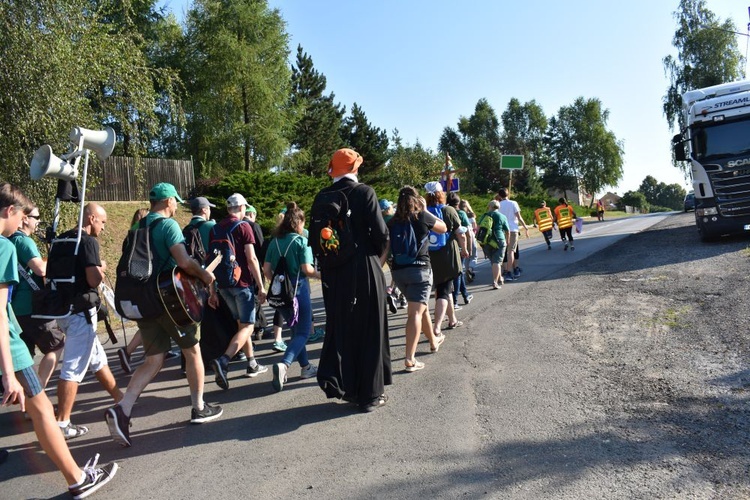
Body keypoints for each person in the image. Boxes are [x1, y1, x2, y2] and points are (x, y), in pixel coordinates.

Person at [0, 182, 117, 498]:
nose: (25, 223)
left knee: (86, 360)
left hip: (45, 315)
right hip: (21, 338)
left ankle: (121, 402)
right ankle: (76, 474)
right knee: (44, 405)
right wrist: (9, 373)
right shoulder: (7, 246)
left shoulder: (52, 239)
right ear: (11, 211)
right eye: (24, 216)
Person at [105, 183, 222, 448]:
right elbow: (183, 261)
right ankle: (199, 407)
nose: (176, 206)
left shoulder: (135, 228)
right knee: (192, 352)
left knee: (153, 359)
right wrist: (205, 275)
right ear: (168, 201)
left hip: (144, 302)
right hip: (171, 301)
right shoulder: (168, 226)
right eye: (175, 202)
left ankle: (123, 408)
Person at [314, 148, 392, 412]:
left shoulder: (322, 196)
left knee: (344, 330)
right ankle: (370, 395)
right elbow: (381, 234)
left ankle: (349, 389)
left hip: (334, 273)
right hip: (364, 267)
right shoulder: (364, 192)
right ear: (355, 168)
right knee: (370, 329)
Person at [49, 203, 122, 440]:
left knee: (96, 357)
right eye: (101, 222)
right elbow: (92, 279)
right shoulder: (88, 242)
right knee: (73, 367)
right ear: (91, 219)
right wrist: (101, 268)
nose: (103, 227)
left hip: (61, 308)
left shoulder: (60, 240)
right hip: (81, 310)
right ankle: (62, 422)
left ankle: (121, 399)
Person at [209, 193, 268, 391]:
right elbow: (252, 259)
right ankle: (224, 360)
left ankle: (252, 363)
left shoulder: (215, 228)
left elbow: (212, 261)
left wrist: (212, 291)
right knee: (248, 326)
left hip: (224, 285)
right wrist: (261, 286)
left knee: (241, 325)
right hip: (242, 284)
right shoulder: (244, 227)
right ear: (242, 208)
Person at [388, 186, 447, 372]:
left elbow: (386, 248)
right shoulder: (422, 216)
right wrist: (427, 210)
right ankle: (410, 359)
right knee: (415, 312)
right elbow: (443, 228)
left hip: (399, 273)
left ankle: (433, 341)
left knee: (420, 308)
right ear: (417, 199)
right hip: (420, 270)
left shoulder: (392, 222)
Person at [263, 202, 320, 392]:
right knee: (304, 332)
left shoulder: (274, 241)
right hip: (299, 289)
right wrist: (324, 274)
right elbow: (307, 270)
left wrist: (279, 281)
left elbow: (266, 270)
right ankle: (284, 364)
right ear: (298, 223)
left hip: (280, 294)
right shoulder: (301, 241)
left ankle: (306, 368)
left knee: (296, 331)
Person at [9, 204, 65, 388]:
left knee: (25, 355)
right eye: (36, 217)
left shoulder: (7, 240)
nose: (38, 221)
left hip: (15, 307)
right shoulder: (24, 241)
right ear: (24, 218)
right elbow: (40, 269)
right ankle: (37, 389)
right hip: (33, 306)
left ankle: (28, 398)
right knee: (56, 345)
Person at [424, 181, 468, 337]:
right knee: (444, 290)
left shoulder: (422, 212)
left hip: (429, 256)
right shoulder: (449, 210)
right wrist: (465, 249)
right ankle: (436, 327)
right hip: (448, 254)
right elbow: (460, 233)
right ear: (440, 194)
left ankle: (452, 319)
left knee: (444, 287)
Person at [244, 205, 267, 343]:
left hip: (241, 268)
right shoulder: (253, 226)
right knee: (257, 295)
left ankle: (260, 325)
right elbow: (261, 246)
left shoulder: (237, 225)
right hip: (254, 265)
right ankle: (258, 327)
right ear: (252, 214)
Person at [496, 188, 529, 281]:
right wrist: (525, 227)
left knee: (503, 251)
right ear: (508, 194)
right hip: (513, 229)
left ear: (499, 196)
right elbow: (519, 217)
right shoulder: (513, 203)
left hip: (502, 230)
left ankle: (506, 270)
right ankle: (510, 271)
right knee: (511, 251)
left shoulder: (498, 205)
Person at [447, 192, 472, 307]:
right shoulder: (461, 213)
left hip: (448, 245)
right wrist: (468, 248)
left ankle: (465, 295)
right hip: (459, 246)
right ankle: (455, 301)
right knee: (458, 273)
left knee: (459, 272)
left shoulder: (444, 212)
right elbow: (467, 232)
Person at [479, 200, 510, 290]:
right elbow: (507, 230)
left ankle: (500, 278)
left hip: (487, 241)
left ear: (489, 206)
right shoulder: (502, 216)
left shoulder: (485, 215)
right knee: (497, 262)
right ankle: (495, 282)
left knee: (494, 261)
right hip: (499, 240)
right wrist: (507, 241)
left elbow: (478, 227)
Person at [459, 199, 478, 283]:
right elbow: (475, 228)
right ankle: (470, 269)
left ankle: (466, 270)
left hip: (462, 237)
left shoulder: (459, 214)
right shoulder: (471, 216)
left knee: (465, 255)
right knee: (473, 256)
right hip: (471, 236)